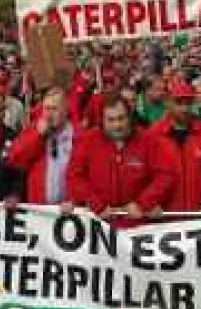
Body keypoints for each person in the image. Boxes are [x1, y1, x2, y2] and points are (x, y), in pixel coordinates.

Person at [65, 97, 179, 226]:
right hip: (100, 224)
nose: (117, 125)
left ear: (129, 117)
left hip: (138, 225)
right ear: (102, 120)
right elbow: (74, 176)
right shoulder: (88, 141)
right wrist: (95, 204)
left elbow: (165, 175)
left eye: (121, 118)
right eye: (111, 120)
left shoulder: (148, 140)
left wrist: (143, 203)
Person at [148, 80, 201, 213]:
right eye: (179, 103)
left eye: (188, 103)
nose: (184, 108)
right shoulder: (153, 135)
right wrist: (149, 202)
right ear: (168, 102)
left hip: (199, 213)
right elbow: (146, 175)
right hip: (164, 215)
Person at [7, 87, 77, 205]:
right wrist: (37, 136)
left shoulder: (78, 134)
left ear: (65, 110)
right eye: (46, 109)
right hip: (40, 210)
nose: (49, 113)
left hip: (69, 210)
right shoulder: (33, 130)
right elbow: (16, 161)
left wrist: (75, 200)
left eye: (54, 109)